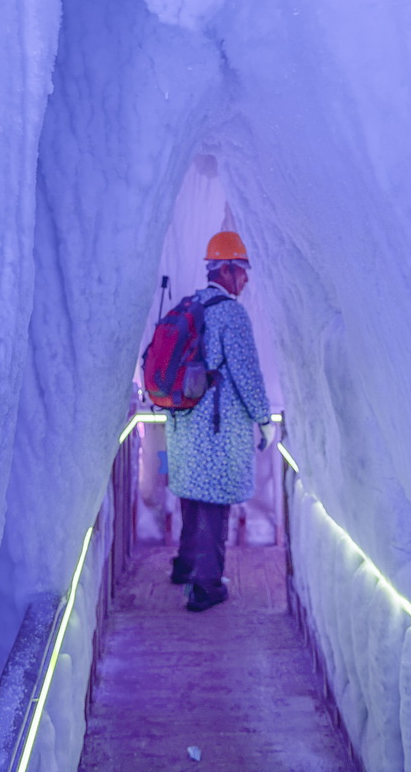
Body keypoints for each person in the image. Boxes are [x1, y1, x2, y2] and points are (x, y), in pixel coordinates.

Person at [165, 230, 277, 612]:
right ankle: (206, 586)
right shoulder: (231, 314)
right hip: (216, 429)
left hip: (185, 425)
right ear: (225, 270)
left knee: (193, 499)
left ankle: (185, 567)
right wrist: (264, 420)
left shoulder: (190, 305)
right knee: (214, 506)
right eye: (242, 269)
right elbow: (248, 375)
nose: (245, 278)